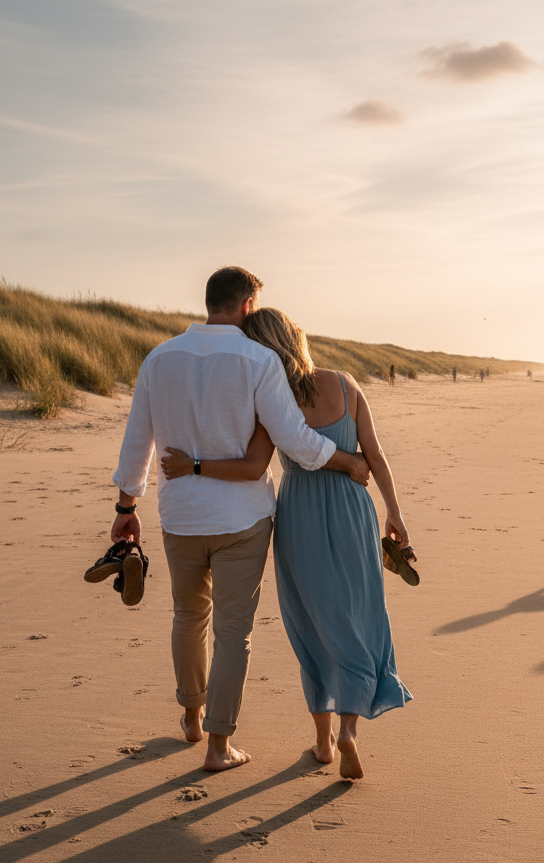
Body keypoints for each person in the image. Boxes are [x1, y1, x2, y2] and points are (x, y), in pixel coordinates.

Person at [112, 266, 370, 772]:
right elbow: (294, 439)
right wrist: (346, 461)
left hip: (180, 515)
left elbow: (135, 442)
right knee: (233, 631)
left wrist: (126, 509)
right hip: (242, 520)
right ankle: (217, 746)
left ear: (210, 300)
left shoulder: (158, 359)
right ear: (248, 305)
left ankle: (191, 716)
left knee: (188, 616)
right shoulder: (257, 360)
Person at [162, 307, 413, 780]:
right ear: (298, 337)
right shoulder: (344, 384)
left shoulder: (271, 399)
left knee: (312, 624)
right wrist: (395, 514)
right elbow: (374, 457)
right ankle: (349, 732)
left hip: (299, 515)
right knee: (356, 616)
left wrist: (193, 466)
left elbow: (256, 463)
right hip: (352, 513)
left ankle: (322, 743)